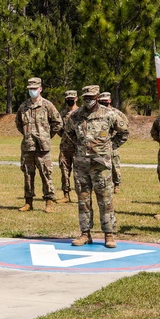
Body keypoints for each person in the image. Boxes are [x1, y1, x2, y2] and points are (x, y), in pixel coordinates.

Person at [63, 85, 129, 248]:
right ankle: (85, 234)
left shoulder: (109, 114)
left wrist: (109, 147)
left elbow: (124, 132)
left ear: (98, 97)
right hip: (82, 165)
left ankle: (109, 234)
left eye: (91, 97)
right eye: (85, 97)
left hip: (101, 165)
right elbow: (69, 133)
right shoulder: (75, 115)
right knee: (83, 200)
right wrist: (80, 146)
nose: (88, 100)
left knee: (105, 199)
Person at [14, 77, 63, 213]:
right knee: (28, 175)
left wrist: (47, 136)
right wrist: (26, 134)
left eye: (34, 89)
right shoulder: (23, 106)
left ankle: (49, 202)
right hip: (28, 147)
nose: (32, 91)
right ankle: (28, 202)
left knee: (46, 174)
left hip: (43, 148)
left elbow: (58, 123)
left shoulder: (47, 105)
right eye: (30, 89)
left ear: (40, 89)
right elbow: (18, 123)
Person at [97, 92, 126, 194]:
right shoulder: (98, 112)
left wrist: (114, 142)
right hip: (100, 145)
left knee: (115, 166)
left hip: (112, 144)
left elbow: (124, 128)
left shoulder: (116, 113)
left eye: (106, 100)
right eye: (102, 100)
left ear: (110, 100)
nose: (104, 102)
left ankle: (117, 184)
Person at [56, 90, 78, 204]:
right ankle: (66, 195)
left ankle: (81, 196)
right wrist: (65, 137)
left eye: (72, 99)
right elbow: (59, 129)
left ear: (76, 99)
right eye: (68, 99)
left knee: (79, 173)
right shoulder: (62, 114)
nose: (70, 100)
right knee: (64, 171)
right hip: (65, 148)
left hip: (78, 148)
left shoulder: (80, 112)